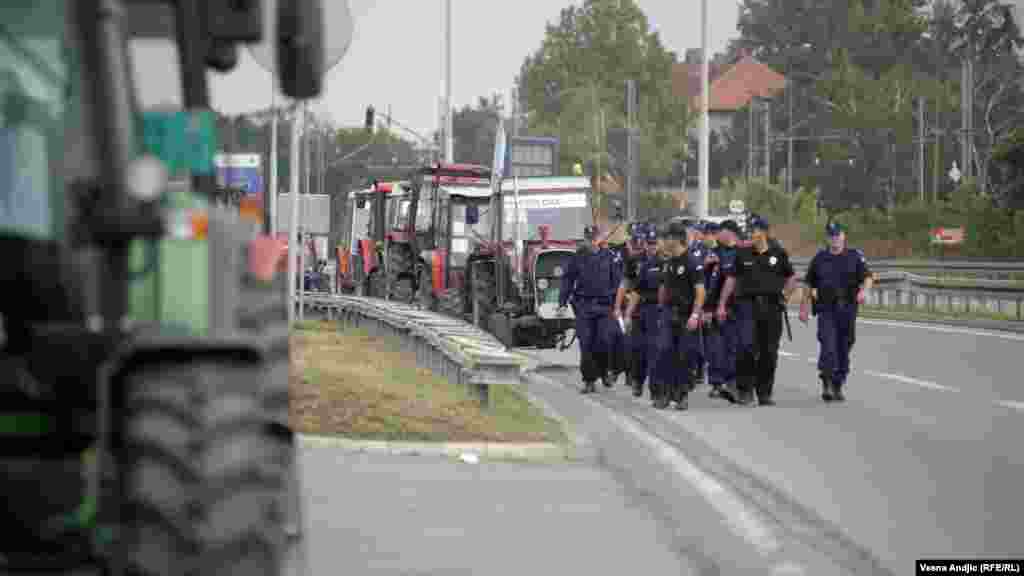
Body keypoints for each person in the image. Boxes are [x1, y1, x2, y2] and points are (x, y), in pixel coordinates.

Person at [716, 214, 798, 406]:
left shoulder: (778, 253)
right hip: (747, 306)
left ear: (764, 233)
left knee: (769, 351)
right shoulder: (743, 253)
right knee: (746, 346)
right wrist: (721, 304)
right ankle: (745, 390)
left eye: (754, 230)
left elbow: (791, 278)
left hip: (771, 307)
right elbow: (731, 280)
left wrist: (785, 296)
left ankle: (764, 392)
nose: (750, 234)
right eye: (750, 230)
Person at [799, 221, 873, 402]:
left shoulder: (854, 256)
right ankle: (827, 382)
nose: (835, 239)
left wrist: (864, 291)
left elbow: (868, 277)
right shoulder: (820, 258)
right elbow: (808, 283)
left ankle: (838, 382)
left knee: (844, 347)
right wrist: (804, 306)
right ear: (827, 238)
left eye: (838, 235)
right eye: (831, 236)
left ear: (843, 236)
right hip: (826, 309)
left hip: (847, 309)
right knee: (828, 345)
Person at [559, 225, 621, 394]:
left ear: (599, 238)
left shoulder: (609, 257)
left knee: (604, 340)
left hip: (604, 306)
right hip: (584, 306)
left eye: (594, 237)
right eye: (589, 238)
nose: (592, 241)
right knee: (586, 344)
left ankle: (605, 371)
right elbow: (568, 279)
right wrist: (562, 302)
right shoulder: (578, 257)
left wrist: (619, 305)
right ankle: (589, 380)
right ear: (585, 239)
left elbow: (618, 282)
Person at [653, 221, 705, 410]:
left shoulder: (692, 262)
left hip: (686, 315)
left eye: (666, 238)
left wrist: (695, 314)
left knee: (684, 355)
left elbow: (700, 291)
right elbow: (664, 289)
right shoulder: (668, 263)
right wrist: (661, 310)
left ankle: (681, 394)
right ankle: (665, 393)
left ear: (676, 239)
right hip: (668, 314)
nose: (664, 241)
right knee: (664, 351)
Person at [619, 223, 663, 398]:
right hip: (639, 309)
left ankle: (655, 390)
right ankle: (637, 380)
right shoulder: (636, 261)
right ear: (644, 243)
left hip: (657, 310)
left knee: (654, 350)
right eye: (649, 243)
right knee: (637, 349)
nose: (651, 246)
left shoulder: (665, 261)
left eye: (654, 243)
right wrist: (624, 311)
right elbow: (629, 286)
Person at [707, 220, 741, 398]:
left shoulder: (741, 253)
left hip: (735, 307)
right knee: (715, 348)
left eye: (720, 231)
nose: (717, 235)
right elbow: (709, 283)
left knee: (732, 346)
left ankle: (732, 381)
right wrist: (707, 308)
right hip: (715, 308)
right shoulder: (715, 253)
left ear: (730, 233)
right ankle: (716, 382)